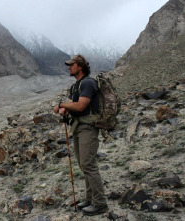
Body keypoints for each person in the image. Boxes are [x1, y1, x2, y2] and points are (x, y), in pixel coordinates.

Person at [53, 54, 108, 216]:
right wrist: (64, 108)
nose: (69, 67)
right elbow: (72, 105)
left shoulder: (88, 83)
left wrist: (61, 105)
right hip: (78, 127)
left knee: (88, 164)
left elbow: (81, 105)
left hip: (88, 128)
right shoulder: (75, 86)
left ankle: (100, 203)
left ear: (80, 66)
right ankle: (90, 199)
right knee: (84, 165)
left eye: (72, 64)